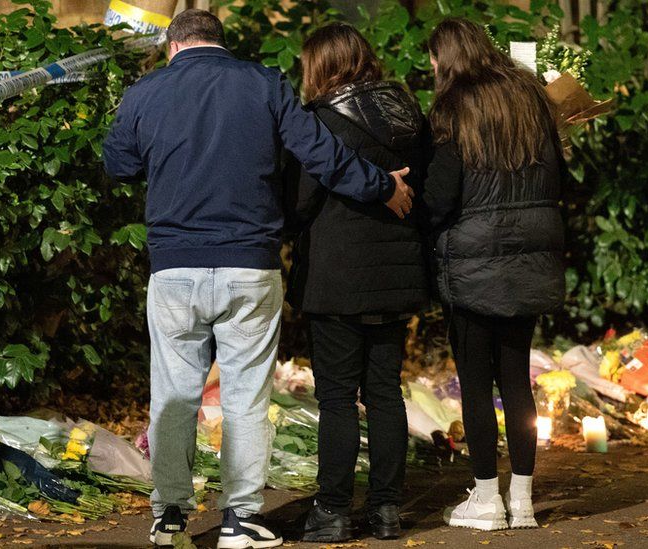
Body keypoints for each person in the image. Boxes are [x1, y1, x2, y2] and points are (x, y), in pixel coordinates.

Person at [102, 10, 415, 549]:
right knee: (245, 397)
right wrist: (380, 185)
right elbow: (322, 154)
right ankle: (239, 520)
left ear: (175, 46)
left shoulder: (147, 90)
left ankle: (170, 515)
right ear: (222, 44)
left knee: (173, 394)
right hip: (250, 262)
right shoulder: (265, 83)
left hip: (175, 264)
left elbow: (118, 163)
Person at [283, 23, 431, 543]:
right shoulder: (407, 113)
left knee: (339, 398)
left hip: (337, 276)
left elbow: (299, 203)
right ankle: (387, 509)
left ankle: (333, 510)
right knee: (387, 393)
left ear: (321, 65)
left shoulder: (322, 122)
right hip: (397, 273)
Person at [422, 18, 567, 532]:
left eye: (434, 58)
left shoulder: (453, 109)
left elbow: (441, 194)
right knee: (516, 378)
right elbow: (560, 177)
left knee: (477, 385)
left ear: (448, 57)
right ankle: (523, 499)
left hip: (472, 264)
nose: (432, 68)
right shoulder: (531, 98)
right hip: (530, 258)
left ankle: (486, 499)